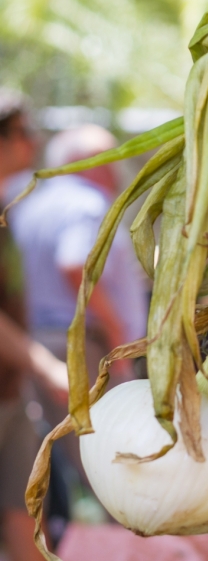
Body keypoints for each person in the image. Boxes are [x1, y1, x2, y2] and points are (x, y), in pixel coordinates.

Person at [6, 124, 148, 488]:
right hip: (86, 345)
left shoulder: (30, 203)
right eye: (110, 158)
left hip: (39, 342)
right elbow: (74, 263)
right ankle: (122, 542)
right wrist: (116, 328)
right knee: (113, 463)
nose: (116, 169)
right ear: (89, 163)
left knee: (78, 459)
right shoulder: (87, 202)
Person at [0, 89, 69, 560]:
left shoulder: (8, 208)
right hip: (14, 379)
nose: (34, 144)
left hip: (9, 387)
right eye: (25, 133)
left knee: (25, 504)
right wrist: (45, 365)